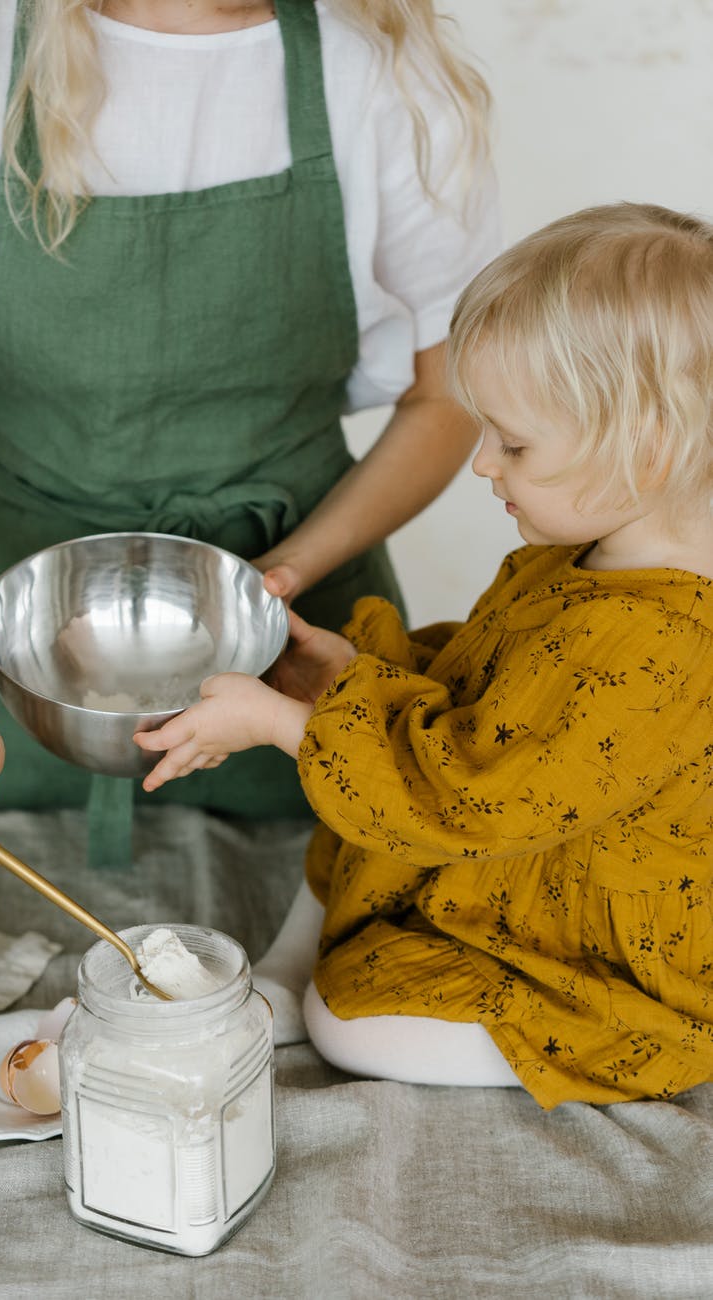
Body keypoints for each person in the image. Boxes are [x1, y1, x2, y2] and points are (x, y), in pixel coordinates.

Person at [0, 0, 497, 877]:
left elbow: (446, 396)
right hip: (20, 669)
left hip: (298, 659)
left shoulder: (388, 70)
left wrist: (280, 584)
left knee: (326, 909)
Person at [134, 203, 713, 1107]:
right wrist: (333, 680)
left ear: (645, 450)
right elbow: (493, 680)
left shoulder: (667, 643)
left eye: (513, 443)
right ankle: (290, 970)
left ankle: (579, 1042)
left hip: (581, 940)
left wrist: (286, 726)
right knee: (348, 797)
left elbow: (472, 795)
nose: (483, 464)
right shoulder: (589, 554)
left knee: (348, 1025)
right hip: (499, 832)